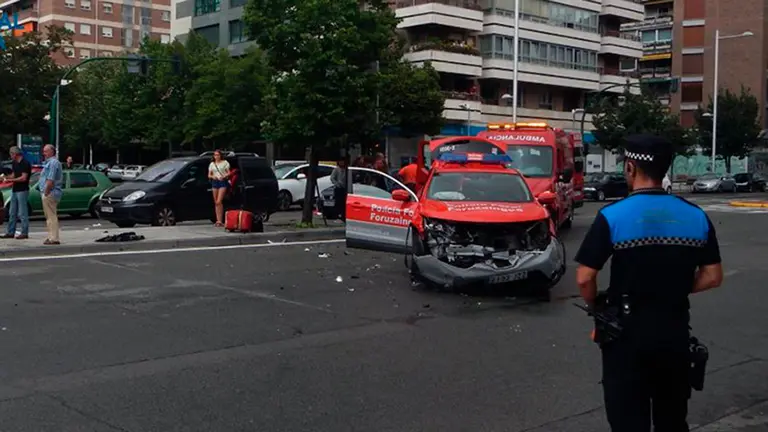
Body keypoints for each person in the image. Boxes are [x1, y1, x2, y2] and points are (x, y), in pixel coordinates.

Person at [574, 134, 724, 432]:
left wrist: (595, 305)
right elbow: (713, 276)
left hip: (627, 337)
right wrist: (676, 286)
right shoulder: (695, 216)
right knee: (672, 419)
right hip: (675, 333)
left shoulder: (612, 216)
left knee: (628, 420)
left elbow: (584, 277)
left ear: (630, 168)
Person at [0, 146, 32, 239]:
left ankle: (24, 232)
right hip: (15, 189)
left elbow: (23, 178)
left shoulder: (25, 163)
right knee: (12, 212)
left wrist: (12, 180)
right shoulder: (15, 163)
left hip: (23, 190)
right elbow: (14, 174)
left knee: (22, 212)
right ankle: (10, 232)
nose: (11, 156)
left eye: (11, 154)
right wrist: (6, 178)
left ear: (15, 154)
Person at [38, 144, 64, 245]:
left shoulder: (53, 163)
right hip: (50, 192)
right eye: (44, 151)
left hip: (50, 192)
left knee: (51, 216)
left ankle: (54, 238)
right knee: (49, 216)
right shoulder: (50, 163)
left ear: (52, 152)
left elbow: (50, 179)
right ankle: (51, 236)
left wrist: (46, 191)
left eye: (46, 151)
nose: (44, 153)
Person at [208, 150, 231, 227]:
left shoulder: (225, 163)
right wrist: (213, 176)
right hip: (215, 181)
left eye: (218, 155)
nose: (216, 156)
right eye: (215, 155)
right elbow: (209, 175)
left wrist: (224, 176)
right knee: (216, 202)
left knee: (219, 201)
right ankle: (218, 220)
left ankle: (220, 220)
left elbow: (229, 172)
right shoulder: (212, 164)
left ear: (220, 155)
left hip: (222, 181)